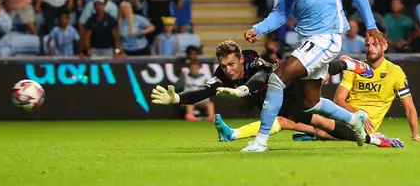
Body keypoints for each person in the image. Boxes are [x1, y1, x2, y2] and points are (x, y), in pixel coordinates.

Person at [240, 0, 385, 152]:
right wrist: (259, 28)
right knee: (310, 104)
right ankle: (354, 119)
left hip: (327, 36)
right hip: (306, 40)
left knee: (278, 77)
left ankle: (261, 141)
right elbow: (279, 14)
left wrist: (370, 25)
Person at [151, 40, 401, 148]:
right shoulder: (223, 73)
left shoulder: (250, 59)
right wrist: (177, 98)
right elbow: (204, 90)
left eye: (231, 64)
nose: (229, 70)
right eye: (224, 66)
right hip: (279, 105)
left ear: (240, 58)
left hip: (287, 85)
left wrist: (243, 89)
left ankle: (345, 62)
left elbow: (262, 78)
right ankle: (373, 139)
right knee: (318, 124)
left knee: (315, 74)